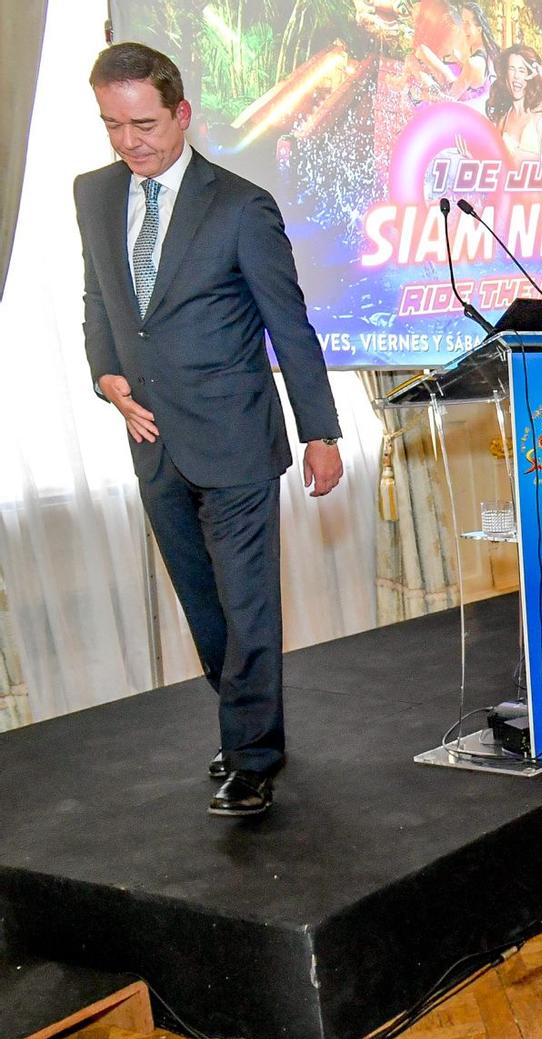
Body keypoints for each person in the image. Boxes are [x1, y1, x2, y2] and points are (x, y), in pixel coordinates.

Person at [76, 44, 342, 817]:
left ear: (182, 114)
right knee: (203, 605)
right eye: (113, 125)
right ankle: (248, 721)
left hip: (235, 439)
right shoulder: (92, 195)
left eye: (145, 123)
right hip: (152, 439)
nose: (130, 142)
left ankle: (252, 755)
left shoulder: (240, 205)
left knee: (249, 602)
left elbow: (288, 326)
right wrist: (106, 377)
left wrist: (320, 432)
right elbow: (99, 299)